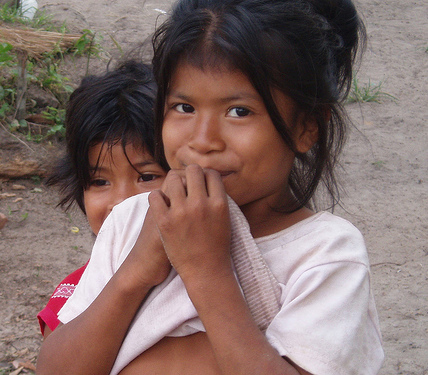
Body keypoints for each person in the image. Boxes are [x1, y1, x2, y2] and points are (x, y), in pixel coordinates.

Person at [36, 0, 384, 374]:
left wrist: (206, 271)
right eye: (184, 107)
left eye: (239, 111)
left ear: (306, 127)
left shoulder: (324, 254)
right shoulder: (131, 221)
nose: (202, 141)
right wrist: (138, 269)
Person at [36, 60, 167, 338]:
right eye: (99, 182)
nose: (121, 202)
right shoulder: (73, 299)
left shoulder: (214, 275)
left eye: (146, 177)